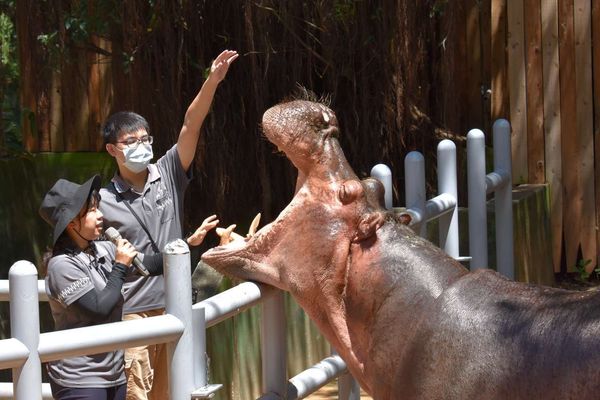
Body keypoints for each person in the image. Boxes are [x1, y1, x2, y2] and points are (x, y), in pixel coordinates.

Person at [99, 49, 238, 400]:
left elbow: (191, 125)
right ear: (111, 150)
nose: (141, 146)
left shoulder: (168, 172)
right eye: (131, 142)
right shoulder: (102, 202)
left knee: (171, 394)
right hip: (131, 312)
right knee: (136, 394)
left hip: (175, 304)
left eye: (145, 139)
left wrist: (212, 81)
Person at [39, 175, 163, 400]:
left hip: (115, 375)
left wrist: (189, 246)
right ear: (71, 223)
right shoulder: (61, 266)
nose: (101, 216)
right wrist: (119, 267)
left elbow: (151, 264)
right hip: (79, 379)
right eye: (92, 210)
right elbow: (98, 310)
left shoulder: (104, 248)